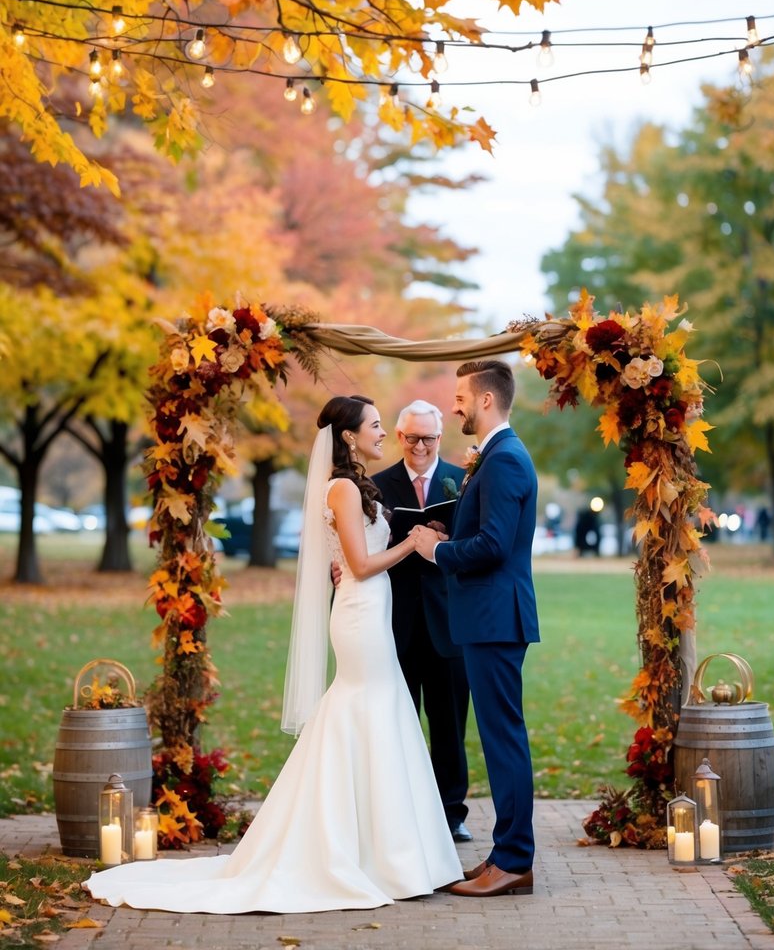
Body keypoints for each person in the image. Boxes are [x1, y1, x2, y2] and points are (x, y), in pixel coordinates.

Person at [85, 396, 462, 914]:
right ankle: (371, 851)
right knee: (369, 709)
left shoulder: (355, 486)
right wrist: (413, 542)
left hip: (371, 612)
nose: (382, 434)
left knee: (379, 712)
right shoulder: (343, 487)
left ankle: (385, 847)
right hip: (359, 615)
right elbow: (359, 563)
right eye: (376, 426)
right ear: (349, 436)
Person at [412, 359, 539, 899]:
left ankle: (513, 861)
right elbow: (485, 530)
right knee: (498, 737)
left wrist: (435, 549)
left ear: (486, 400)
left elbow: (493, 547)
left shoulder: (506, 459)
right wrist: (450, 525)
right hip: (486, 618)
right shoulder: (494, 458)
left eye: (461, 396)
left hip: (494, 619)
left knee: (503, 740)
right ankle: (503, 855)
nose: (455, 404)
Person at [371, 399, 471, 843]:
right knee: (400, 721)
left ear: (439, 437)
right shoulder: (375, 485)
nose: (420, 446)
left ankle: (452, 813)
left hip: (449, 618)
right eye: (411, 438)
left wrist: (448, 540)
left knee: (449, 723)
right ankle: (404, 808)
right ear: (399, 437)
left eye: (428, 438)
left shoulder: (463, 481)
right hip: (397, 619)